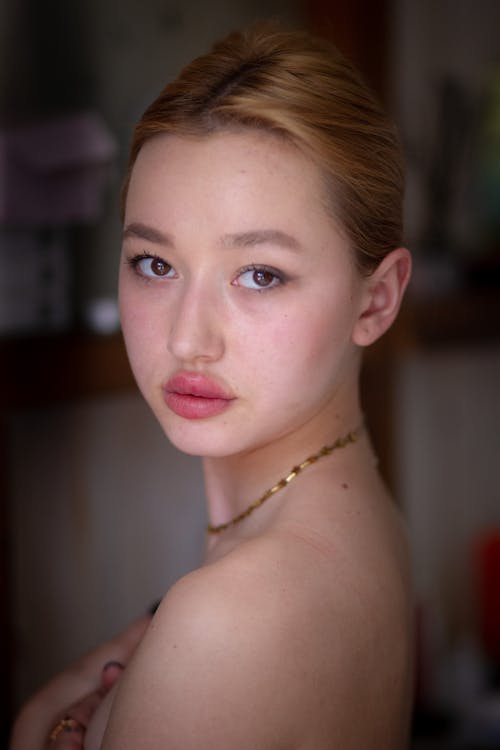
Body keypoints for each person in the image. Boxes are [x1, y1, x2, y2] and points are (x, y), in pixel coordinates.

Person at [10, 22, 414, 750]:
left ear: (376, 300)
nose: (187, 339)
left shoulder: (228, 619)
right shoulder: (362, 509)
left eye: (260, 274)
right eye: (155, 264)